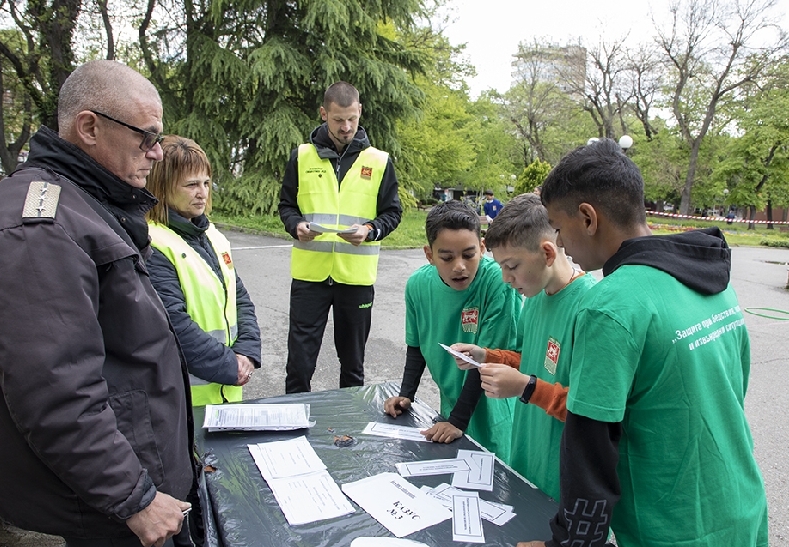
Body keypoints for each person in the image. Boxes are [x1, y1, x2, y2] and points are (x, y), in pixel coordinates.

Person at [492, 139, 768, 547]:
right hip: (734, 499)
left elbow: (591, 435)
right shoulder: (709, 280)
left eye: (560, 229)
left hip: (673, 528)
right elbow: (734, 387)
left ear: (588, 217)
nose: (560, 243)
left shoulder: (610, 306)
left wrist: (568, 545)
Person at [0, 60, 195, 547]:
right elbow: (54, 392)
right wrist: (134, 498)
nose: (158, 153)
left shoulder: (82, 204)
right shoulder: (38, 229)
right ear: (90, 127)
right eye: (147, 137)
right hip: (115, 505)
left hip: (115, 490)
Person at [451, 193, 596, 500]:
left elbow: (592, 410)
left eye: (512, 266)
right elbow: (532, 360)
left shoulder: (591, 308)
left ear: (546, 253)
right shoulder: (534, 298)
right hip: (526, 459)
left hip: (563, 480)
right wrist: (487, 355)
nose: (505, 278)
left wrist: (525, 388)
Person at [278, 81, 402, 394]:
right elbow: (286, 206)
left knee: (353, 365)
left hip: (355, 280)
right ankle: (293, 427)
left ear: (359, 111)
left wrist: (370, 230)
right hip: (310, 278)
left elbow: (392, 213)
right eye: (337, 120)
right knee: (299, 364)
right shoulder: (301, 157)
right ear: (323, 114)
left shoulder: (379, 161)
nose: (346, 127)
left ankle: (350, 430)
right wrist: (296, 226)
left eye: (352, 119)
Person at [383, 200, 522, 461]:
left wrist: (458, 421)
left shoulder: (497, 283)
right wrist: (406, 395)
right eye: (447, 258)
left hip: (494, 410)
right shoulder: (417, 286)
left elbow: (488, 361)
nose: (459, 266)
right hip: (452, 406)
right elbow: (417, 346)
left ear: (482, 248)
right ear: (429, 255)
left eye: (469, 255)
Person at [146, 135, 261, 406]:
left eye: (206, 183)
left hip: (225, 397)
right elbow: (173, 324)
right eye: (191, 185)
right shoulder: (154, 244)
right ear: (162, 187)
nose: (203, 192)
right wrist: (229, 366)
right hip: (183, 404)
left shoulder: (211, 235)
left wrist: (247, 352)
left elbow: (239, 298)